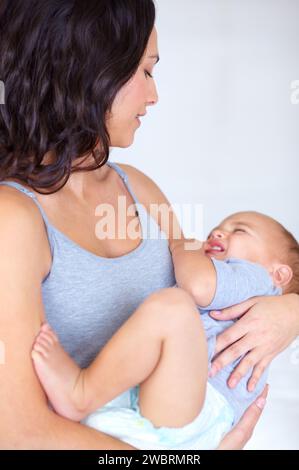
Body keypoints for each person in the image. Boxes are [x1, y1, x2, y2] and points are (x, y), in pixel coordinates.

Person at [0, 0, 298, 449]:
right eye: (144, 71)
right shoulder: (14, 217)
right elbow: (20, 433)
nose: (153, 95)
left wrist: (290, 311)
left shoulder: (136, 188)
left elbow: (207, 275)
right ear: (87, 72)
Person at [29, 211, 299, 449]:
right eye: (219, 227)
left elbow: (199, 285)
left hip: (199, 407)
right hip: (176, 415)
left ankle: (80, 393)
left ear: (279, 274)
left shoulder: (258, 279)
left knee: (173, 308)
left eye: (239, 230)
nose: (218, 232)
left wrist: (183, 245)